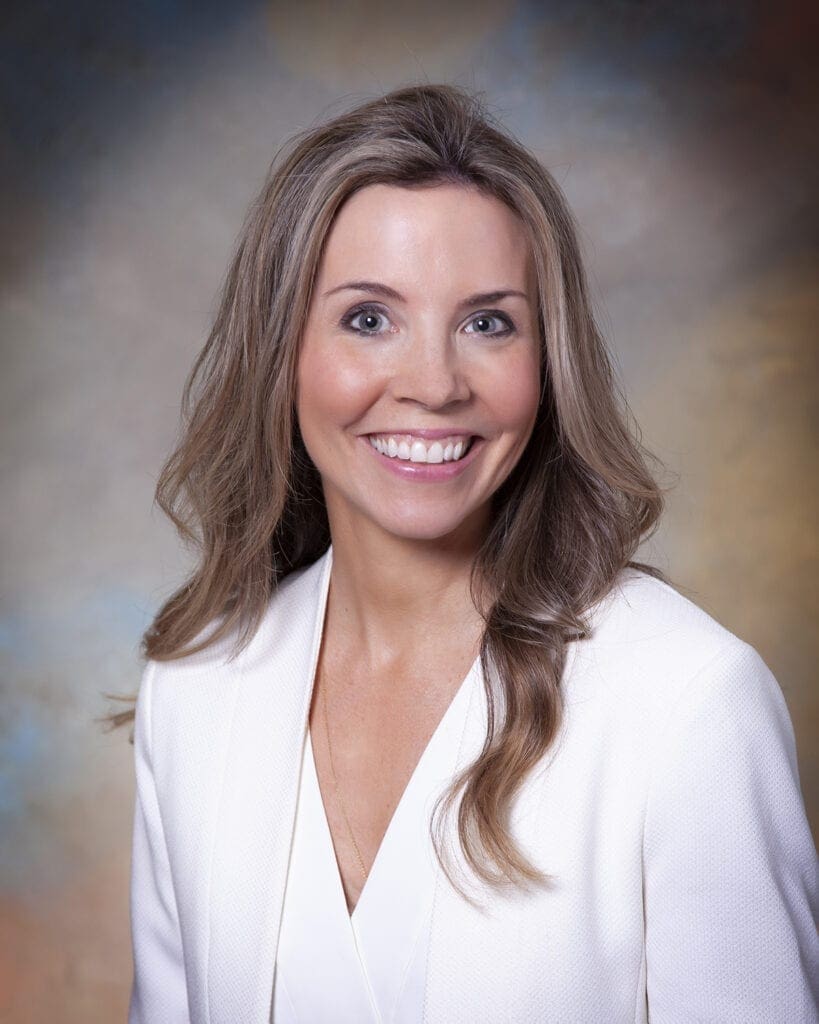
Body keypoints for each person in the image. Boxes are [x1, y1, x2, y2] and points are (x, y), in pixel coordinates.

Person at [124, 83, 818, 1023]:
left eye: (488, 322)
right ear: (281, 349)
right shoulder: (196, 686)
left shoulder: (689, 701)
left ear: (549, 359)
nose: (434, 384)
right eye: (369, 318)